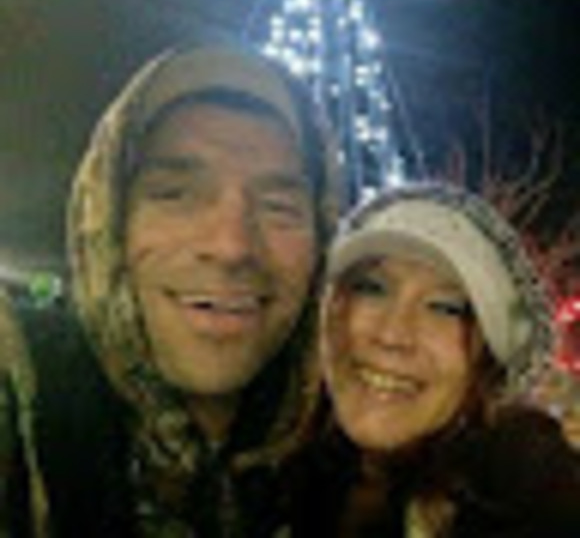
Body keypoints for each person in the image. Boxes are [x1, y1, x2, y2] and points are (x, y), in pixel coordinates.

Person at [0, 43, 340, 537]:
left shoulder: (343, 458)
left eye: (278, 207)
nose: (231, 246)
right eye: (175, 195)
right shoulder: (26, 393)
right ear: (108, 222)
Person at [284, 183, 580, 537]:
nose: (392, 335)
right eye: (372, 288)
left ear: (486, 359)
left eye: (445, 307)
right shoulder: (270, 469)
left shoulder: (526, 481)